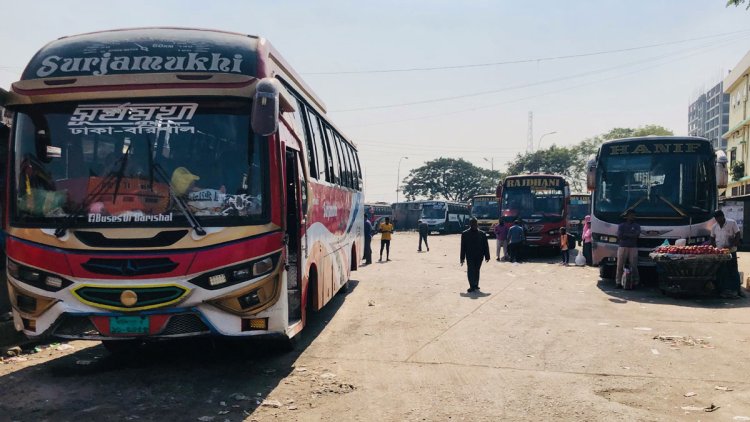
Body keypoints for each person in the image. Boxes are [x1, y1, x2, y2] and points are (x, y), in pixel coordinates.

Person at [711, 209, 744, 298]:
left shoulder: (732, 223)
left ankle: (737, 290)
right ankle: (722, 290)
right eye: (716, 219)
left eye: (719, 218)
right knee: (721, 271)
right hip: (720, 253)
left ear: (723, 216)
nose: (718, 221)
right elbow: (712, 238)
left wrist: (732, 245)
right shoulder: (714, 227)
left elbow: (737, 234)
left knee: (733, 270)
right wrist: (714, 248)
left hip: (731, 251)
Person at [460, 218, 490, 293]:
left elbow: (485, 246)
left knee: (477, 270)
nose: (474, 225)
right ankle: (472, 286)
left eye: (475, 224)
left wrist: (487, 256)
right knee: (470, 270)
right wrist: (462, 258)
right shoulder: (465, 234)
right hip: (469, 256)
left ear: (477, 224)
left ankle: (476, 284)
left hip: (479, 256)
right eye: (473, 224)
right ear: (470, 225)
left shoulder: (482, 234)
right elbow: (463, 247)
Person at [615, 209, 640, 289]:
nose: (632, 216)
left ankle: (635, 282)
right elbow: (619, 236)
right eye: (631, 215)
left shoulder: (637, 226)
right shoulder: (622, 225)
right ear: (627, 216)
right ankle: (618, 282)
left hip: (633, 247)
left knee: (634, 266)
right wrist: (631, 235)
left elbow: (636, 235)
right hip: (622, 246)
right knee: (620, 265)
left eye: (633, 215)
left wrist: (626, 235)